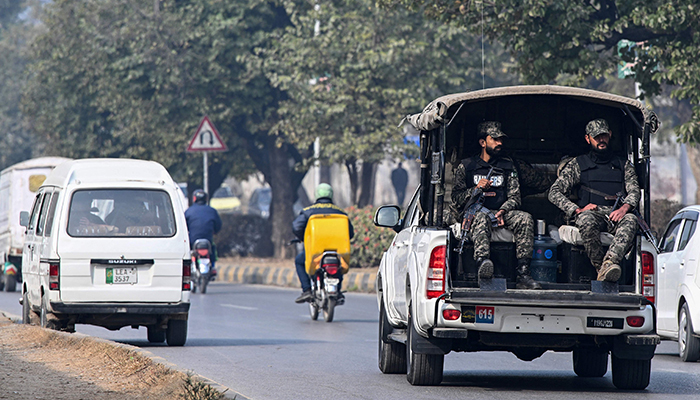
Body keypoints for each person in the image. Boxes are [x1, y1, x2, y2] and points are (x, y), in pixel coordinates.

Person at [451, 121, 540, 290]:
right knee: (481, 217)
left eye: (501, 140)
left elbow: (515, 197)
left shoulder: (507, 166)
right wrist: (475, 189)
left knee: (525, 218)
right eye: (495, 139)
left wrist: (503, 210)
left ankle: (523, 273)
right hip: (476, 212)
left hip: (501, 211)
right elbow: (456, 198)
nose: (499, 143)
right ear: (483, 143)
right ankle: (483, 265)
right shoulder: (467, 166)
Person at [548, 118, 640, 282]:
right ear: (588, 138)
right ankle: (601, 269)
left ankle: (610, 263)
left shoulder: (623, 165)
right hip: (591, 213)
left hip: (615, 214)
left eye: (604, 136)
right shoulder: (578, 164)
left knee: (632, 219)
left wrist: (624, 208)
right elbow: (554, 192)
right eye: (596, 137)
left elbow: (634, 191)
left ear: (610, 135)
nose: (601, 140)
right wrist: (576, 210)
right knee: (586, 220)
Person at [292, 183, 354, 303]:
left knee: (299, 261)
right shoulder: (341, 212)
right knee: (339, 265)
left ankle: (307, 291)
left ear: (316, 195)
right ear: (331, 194)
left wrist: (303, 237)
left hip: (315, 251)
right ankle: (338, 291)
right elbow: (350, 233)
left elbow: (296, 227)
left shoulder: (308, 211)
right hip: (337, 252)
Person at [185, 189, 223, 275]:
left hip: (192, 239)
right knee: (212, 248)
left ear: (194, 198)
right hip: (208, 239)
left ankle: (189, 267)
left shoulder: (189, 211)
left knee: (188, 251)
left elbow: (184, 226)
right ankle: (213, 266)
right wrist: (215, 232)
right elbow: (218, 225)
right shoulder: (212, 211)